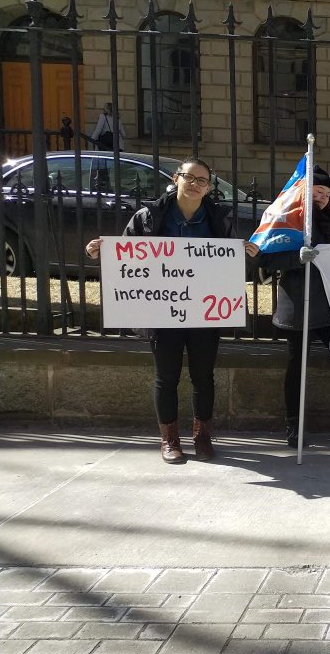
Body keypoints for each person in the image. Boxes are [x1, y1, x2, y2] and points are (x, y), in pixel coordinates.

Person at [84, 157, 259, 464]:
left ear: (208, 188)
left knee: (203, 376)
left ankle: (202, 436)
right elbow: (126, 257)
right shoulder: (148, 216)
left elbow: (230, 259)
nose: (195, 185)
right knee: (167, 377)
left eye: (202, 181)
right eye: (190, 178)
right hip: (162, 311)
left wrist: (245, 251)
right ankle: (170, 440)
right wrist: (99, 252)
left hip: (204, 312)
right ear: (177, 178)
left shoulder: (219, 218)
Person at [254, 165, 330, 449]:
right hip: (297, 308)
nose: (322, 197)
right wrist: (296, 259)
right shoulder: (285, 223)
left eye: (327, 194)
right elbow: (265, 263)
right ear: (304, 192)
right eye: (317, 191)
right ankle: (293, 424)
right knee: (296, 368)